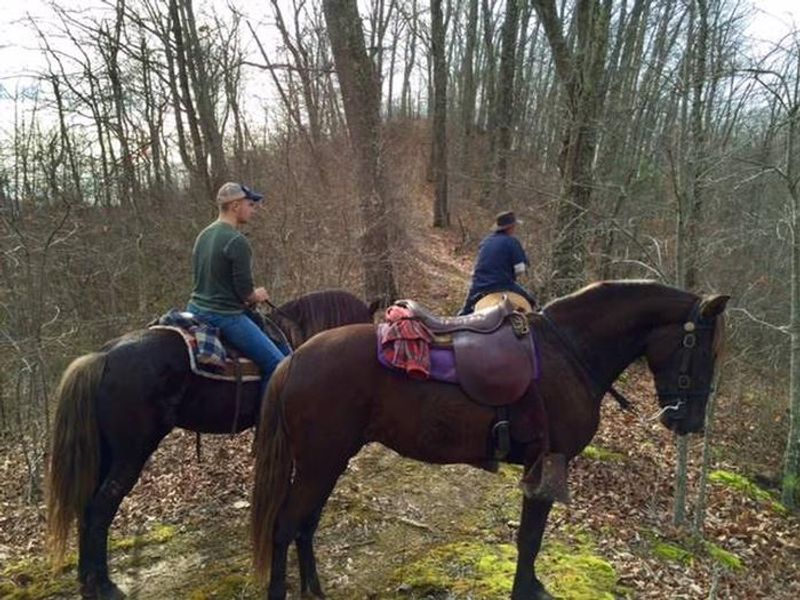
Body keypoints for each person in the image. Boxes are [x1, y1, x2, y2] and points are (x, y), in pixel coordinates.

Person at [187, 182, 287, 398]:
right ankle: (268, 423)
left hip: (195, 308)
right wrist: (258, 295)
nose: (254, 210)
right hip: (223, 315)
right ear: (234, 206)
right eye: (250, 205)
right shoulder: (237, 241)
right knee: (278, 365)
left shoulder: (203, 235)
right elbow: (245, 294)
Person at [459, 210, 537, 315]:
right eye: (514, 226)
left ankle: (453, 325)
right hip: (503, 284)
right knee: (531, 302)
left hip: (478, 285)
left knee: (464, 313)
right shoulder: (512, 242)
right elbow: (520, 269)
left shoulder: (486, 241)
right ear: (510, 227)